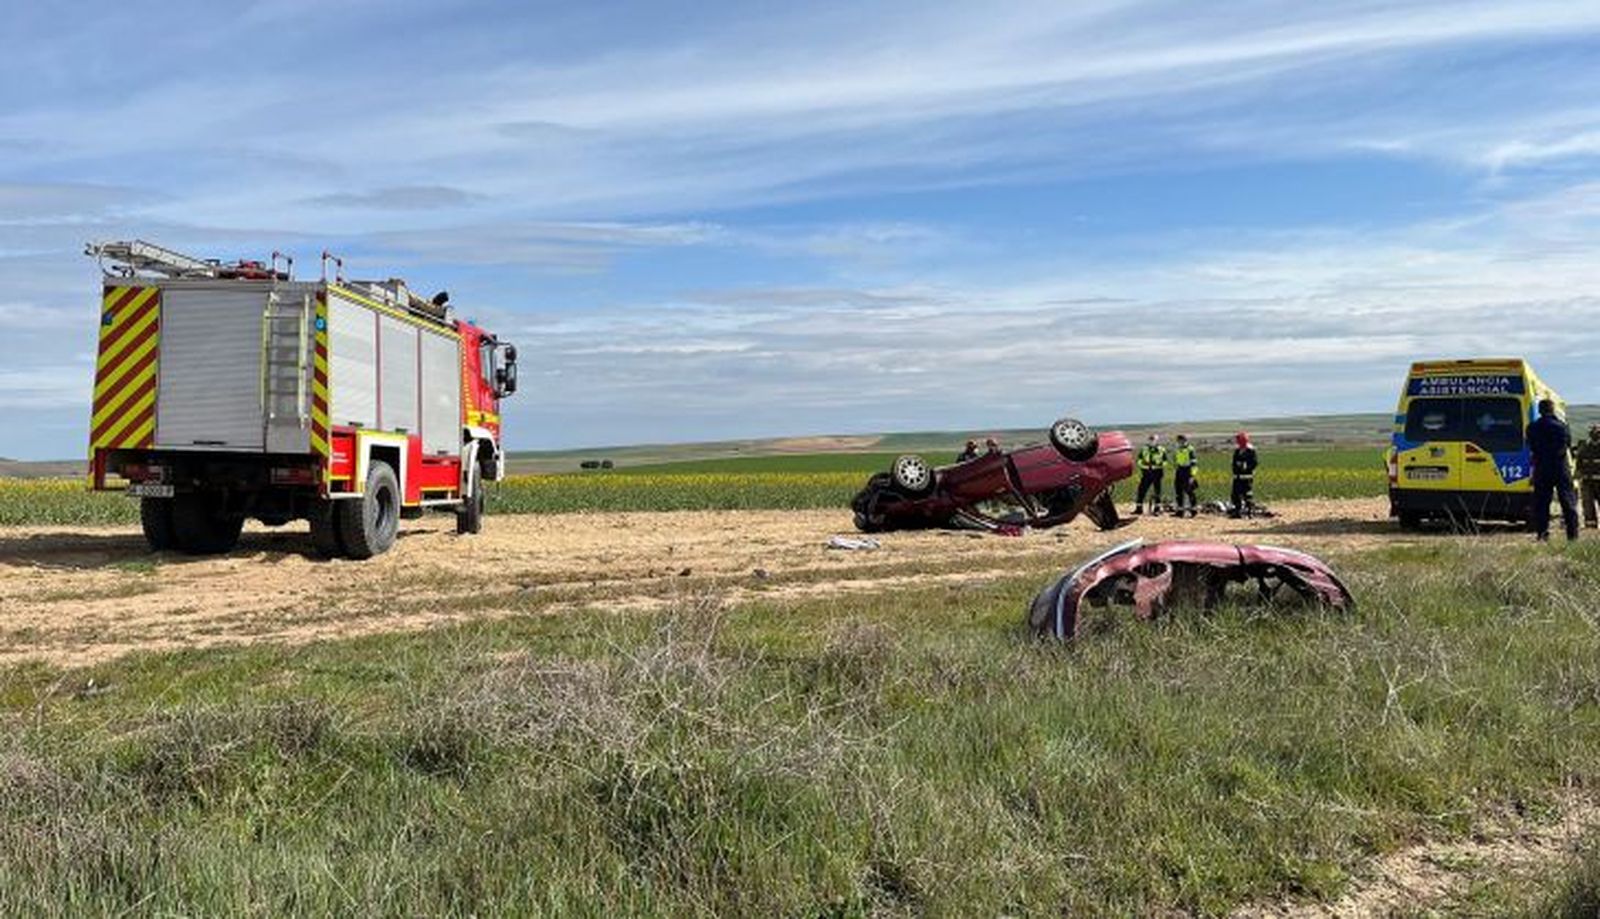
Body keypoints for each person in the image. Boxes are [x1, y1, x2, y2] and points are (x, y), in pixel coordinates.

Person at [1526, 399, 1579, 542]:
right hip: (1560, 467)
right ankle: (1572, 535)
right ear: (1552, 409)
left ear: (1540, 410)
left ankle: (1542, 534)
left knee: (1542, 503)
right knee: (1568, 502)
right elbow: (1566, 445)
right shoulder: (1561, 426)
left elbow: (1531, 446)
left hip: (1541, 467)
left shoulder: (1532, 427)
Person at [1133, 434, 1168, 515]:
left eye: (1153, 439)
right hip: (1146, 473)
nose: (1152, 441)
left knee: (1157, 491)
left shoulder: (1161, 449)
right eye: (1150, 439)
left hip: (1157, 473)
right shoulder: (1144, 449)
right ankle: (1139, 508)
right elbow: (1139, 460)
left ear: (1157, 440)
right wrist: (1145, 465)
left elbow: (1165, 462)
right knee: (1141, 490)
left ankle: (1157, 509)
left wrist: (1157, 465)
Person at [1576, 424, 1600, 529]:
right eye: (1593, 431)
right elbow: (1579, 463)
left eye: (1597, 432)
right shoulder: (1584, 447)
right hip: (1587, 482)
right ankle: (1590, 528)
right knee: (1588, 506)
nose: (1595, 434)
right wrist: (1578, 475)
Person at [1229, 431, 1258, 518]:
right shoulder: (1237, 451)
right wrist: (1236, 468)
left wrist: (1244, 466)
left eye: (1239, 440)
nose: (1237, 442)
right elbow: (1234, 463)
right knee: (1235, 495)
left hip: (1247, 477)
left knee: (1247, 495)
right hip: (1237, 477)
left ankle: (1250, 512)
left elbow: (1254, 463)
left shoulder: (1251, 451)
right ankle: (1237, 512)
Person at [1172, 434, 1199, 518]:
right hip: (1179, 470)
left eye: (1181, 441)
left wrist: (1192, 475)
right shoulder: (1178, 449)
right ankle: (1180, 511)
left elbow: (1194, 464)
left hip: (1188, 471)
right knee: (1178, 490)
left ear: (1185, 440)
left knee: (1189, 491)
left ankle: (1193, 510)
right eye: (1178, 441)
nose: (1179, 442)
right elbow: (1175, 460)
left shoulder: (1190, 449)